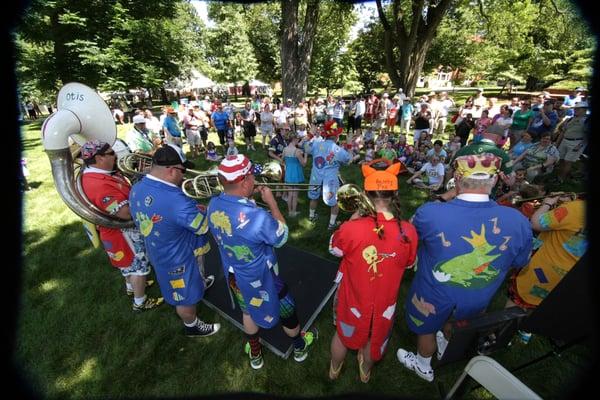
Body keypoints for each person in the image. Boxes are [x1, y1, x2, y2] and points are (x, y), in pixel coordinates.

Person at [397, 153, 533, 382]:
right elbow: (521, 263)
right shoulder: (519, 220)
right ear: (494, 181)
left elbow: (407, 239)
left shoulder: (429, 212)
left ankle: (423, 364)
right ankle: (447, 344)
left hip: (432, 293)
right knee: (459, 324)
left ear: (457, 178)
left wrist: (447, 197)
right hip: (479, 296)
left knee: (426, 328)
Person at [207, 155, 315, 369]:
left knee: (247, 310)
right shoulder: (256, 216)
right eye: (253, 176)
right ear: (245, 181)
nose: (256, 179)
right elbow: (281, 236)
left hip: (234, 274)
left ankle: (255, 353)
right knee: (287, 310)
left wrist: (248, 201)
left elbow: (235, 223)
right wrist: (272, 203)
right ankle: (299, 345)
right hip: (264, 277)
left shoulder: (212, 204)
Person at [328, 159, 418, 382]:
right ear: (395, 195)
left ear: (365, 195)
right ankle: (365, 371)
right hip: (385, 301)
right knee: (375, 337)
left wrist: (350, 220)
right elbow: (408, 264)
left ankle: (334, 368)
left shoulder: (351, 228)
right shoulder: (408, 231)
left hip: (352, 298)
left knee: (342, 333)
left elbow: (334, 248)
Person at [129, 144, 220, 337]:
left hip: (158, 250)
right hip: (179, 258)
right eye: (183, 171)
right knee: (184, 298)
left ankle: (200, 284)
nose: (184, 176)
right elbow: (202, 226)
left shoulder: (137, 186)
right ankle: (192, 325)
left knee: (188, 285)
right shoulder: (176, 200)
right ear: (171, 170)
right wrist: (212, 205)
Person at [79, 140, 163, 311]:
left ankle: (132, 288)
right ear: (99, 158)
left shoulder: (96, 174)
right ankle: (140, 302)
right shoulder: (99, 185)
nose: (115, 155)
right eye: (111, 153)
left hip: (116, 234)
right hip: (123, 234)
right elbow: (124, 213)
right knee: (139, 266)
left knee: (127, 265)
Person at [507, 194, 586, 309]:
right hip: (568, 279)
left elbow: (536, 223)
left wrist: (547, 204)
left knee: (513, 309)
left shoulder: (577, 208)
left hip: (541, 272)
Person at [306, 120, 353, 230]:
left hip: (315, 177)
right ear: (336, 137)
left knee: (314, 196)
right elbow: (349, 159)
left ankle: (311, 216)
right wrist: (349, 144)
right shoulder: (338, 150)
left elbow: (305, 147)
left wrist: (310, 135)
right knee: (334, 201)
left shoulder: (317, 144)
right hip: (330, 179)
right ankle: (332, 224)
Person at [554, 101, 589, 183]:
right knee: (561, 159)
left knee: (568, 161)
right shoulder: (570, 119)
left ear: (584, 110)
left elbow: (587, 135)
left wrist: (580, 145)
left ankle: (561, 179)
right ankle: (563, 175)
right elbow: (563, 131)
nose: (576, 110)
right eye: (575, 109)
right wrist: (557, 143)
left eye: (578, 109)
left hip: (576, 142)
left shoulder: (587, 121)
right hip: (565, 140)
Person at [282, 134, 308, 217]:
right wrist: (306, 155)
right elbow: (304, 164)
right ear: (294, 139)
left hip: (289, 173)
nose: (299, 141)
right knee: (295, 194)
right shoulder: (297, 151)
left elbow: (282, 160)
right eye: (298, 139)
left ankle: (290, 212)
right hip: (296, 174)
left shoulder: (285, 149)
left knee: (290, 194)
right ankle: (294, 212)